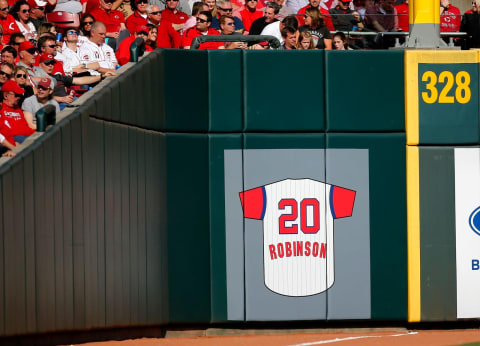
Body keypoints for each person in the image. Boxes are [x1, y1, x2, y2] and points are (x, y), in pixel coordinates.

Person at [0, 80, 34, 144]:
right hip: (14, 140)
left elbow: (26, 127)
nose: (19, 97)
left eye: (20, 95)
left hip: (28, 137)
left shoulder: (17, 108)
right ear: (5, 95)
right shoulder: (1, 109)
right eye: (16, 95)